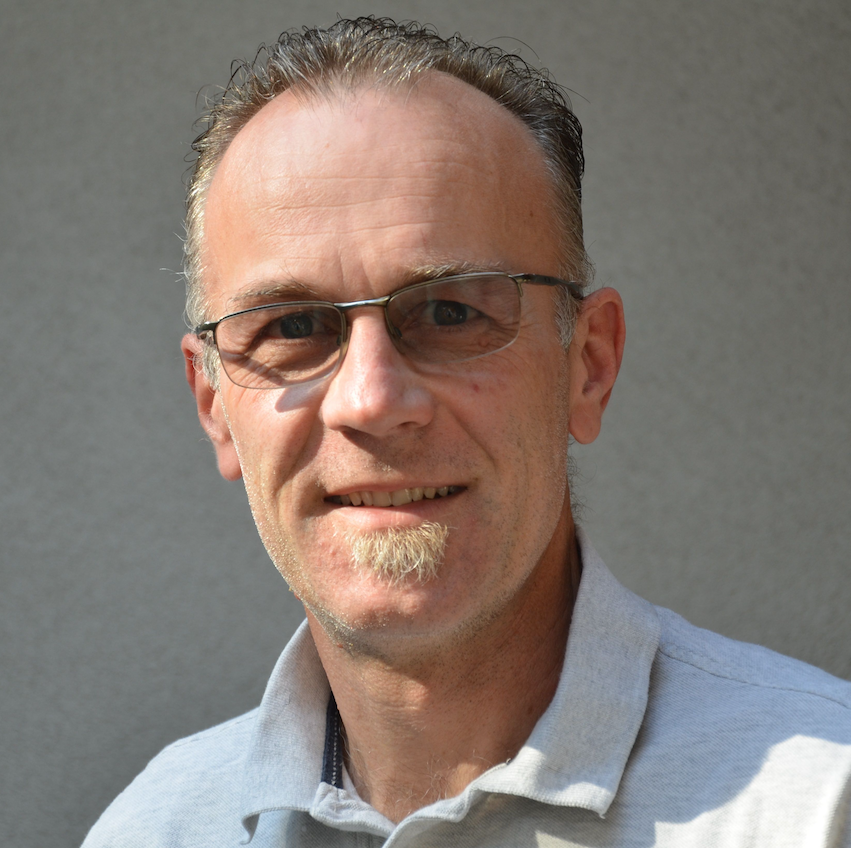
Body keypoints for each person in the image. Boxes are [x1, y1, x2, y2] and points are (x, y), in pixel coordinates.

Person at [83, 17, 851, 847]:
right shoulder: (155, 828)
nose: (371, 400)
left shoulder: (817, 805)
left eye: (450, 312)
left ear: (587, 365)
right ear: (212, 404)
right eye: (293, 327)